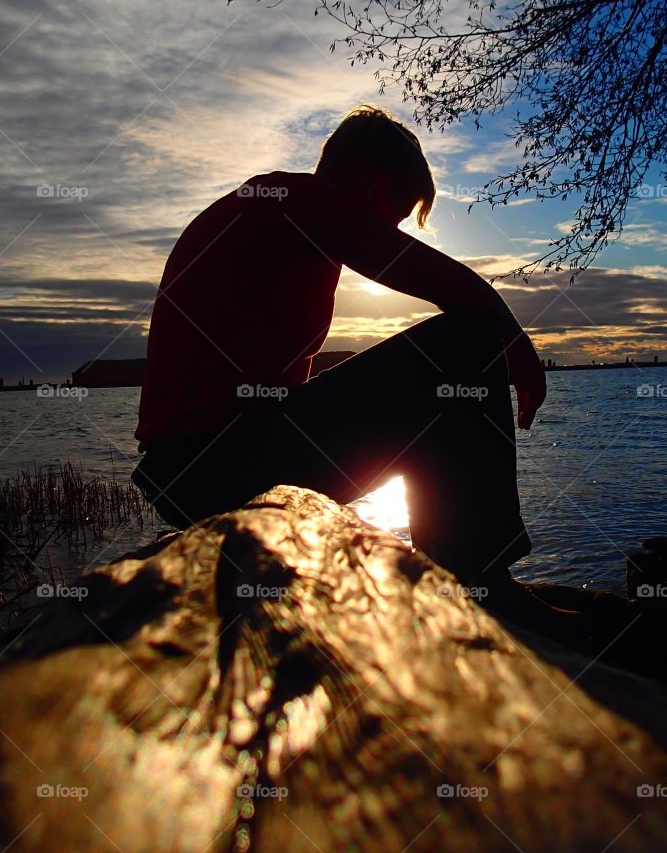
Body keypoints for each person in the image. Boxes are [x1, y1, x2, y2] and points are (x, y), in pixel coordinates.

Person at [131, 105, 581, 637]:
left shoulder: (279, 221)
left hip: (203, 463)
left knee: (433, 397)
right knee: (466, 340)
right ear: (374, 185)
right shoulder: (294, 200)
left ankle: (458, 573)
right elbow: (445, 282)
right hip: (210, 462)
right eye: (393, 215)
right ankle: (479, 581)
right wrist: (517, 348)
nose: (387, 232)